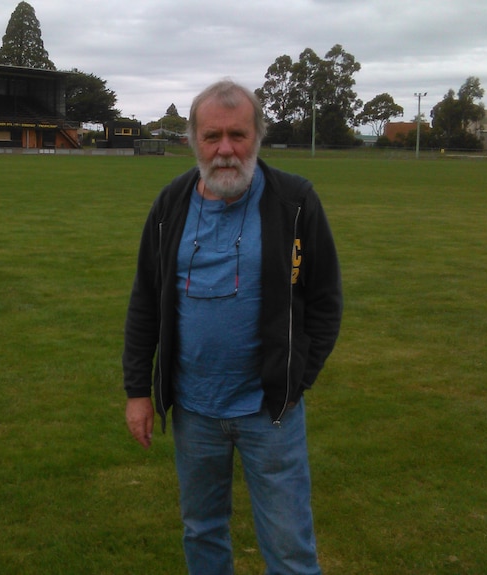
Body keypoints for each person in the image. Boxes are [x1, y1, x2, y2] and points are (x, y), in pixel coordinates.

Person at [122, 79, 342, 575]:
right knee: (202, 532)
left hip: (270, 413)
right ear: (193, 140)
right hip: (194, 413)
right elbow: (144, 304)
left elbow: (326, 300)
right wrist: (139, 391)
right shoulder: (170, 204)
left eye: (238, 135)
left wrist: (296, 378)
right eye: (212, 136)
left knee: (289, 550)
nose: (225, 150)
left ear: (258, 136)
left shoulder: (295, 202)